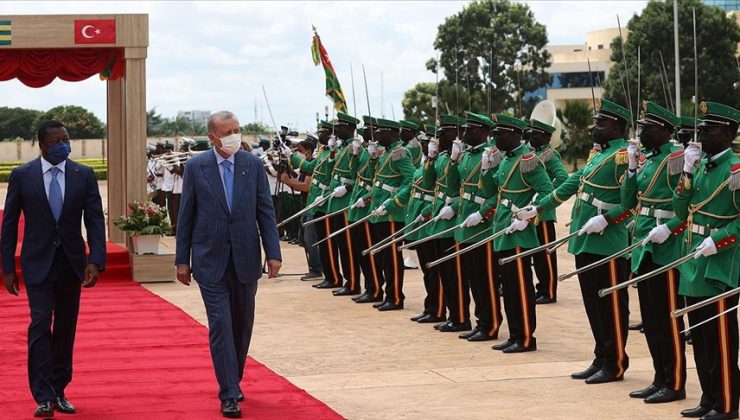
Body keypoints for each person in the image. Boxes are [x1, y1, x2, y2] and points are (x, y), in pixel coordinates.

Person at [175, 111, 282, 418]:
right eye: (228, 131)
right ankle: (229, 392)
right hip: (210, 259)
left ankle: (233, 377)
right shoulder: (196, 167)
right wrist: (182, 260)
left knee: (242, 324)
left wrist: (273, 252)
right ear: (212, 137)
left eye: (238, 129)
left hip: (246, 258)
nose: (235, 135)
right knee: (221, 324)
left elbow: (266, 211)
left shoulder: (252, 165)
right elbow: (186, 216)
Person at [1, 120, 106, 418]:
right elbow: (8, 224)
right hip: (37, 263)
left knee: (64, 328)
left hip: (71, 263)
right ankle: (43, 395)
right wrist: (7, 265)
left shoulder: (82, 175)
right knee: (40, 322)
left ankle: (59, 390)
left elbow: (95, 220)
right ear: (43, 144)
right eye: (57, 140)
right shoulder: (23, 176)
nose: (64, 144)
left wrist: (95, 260)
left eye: (67, 139)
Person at [525, 99, 632, 382]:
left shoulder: (623, 156)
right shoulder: (599, 154)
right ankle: (601, 357)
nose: (595, 127)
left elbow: (632, 202)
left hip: (608, 243)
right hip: (586, 240)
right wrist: (539, 207)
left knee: (610, 306)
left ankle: (616, 362)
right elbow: (573, 182)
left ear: (618, 127)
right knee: (594, 307)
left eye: (602, 123)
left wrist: (608, 220)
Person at [673, 101, 739, 420]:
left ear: (727, 134)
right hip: (693, 260)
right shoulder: (699, 167)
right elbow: (679, 207)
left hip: (719, 263)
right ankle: (708, 396)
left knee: (721, 339)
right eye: (701, 128)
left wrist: (720, 238)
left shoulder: (736, 170)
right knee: (699, 336)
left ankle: (726, 402)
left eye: (709, 129)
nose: (701, 134)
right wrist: (686, 170)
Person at [621, 101, 687, 404]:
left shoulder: (676, 159)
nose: (641, 132)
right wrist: (632, 167)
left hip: (666, 247)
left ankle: (674, 382)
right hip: (645, 246)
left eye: (647, 127)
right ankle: (660, 376)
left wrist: (670, 228)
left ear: (663, 130)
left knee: (667, 319)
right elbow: (627, 201)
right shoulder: (648, 159)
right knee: (651, 318)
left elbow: (687, 205)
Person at [481, 113, 553, 353]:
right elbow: (494, 192)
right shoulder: (505, 160)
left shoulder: (527, 160)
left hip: (520, 233)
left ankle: (525, 338)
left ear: (513, 134)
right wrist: (485, 169)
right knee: (509, 289)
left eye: (499, 133)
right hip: (503, 229)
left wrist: (530, 214)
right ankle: (514, 334)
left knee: (521, 288)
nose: (495, 137)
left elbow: (547, 191)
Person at [449, 111, 504, 342]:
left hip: (483, 225)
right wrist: (452, 162)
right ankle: (480, 320)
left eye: (470, 129)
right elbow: (454, 187)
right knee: (473, 278)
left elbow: (498, 194)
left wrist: (482, 215)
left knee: (486, 279)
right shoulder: (465, 156)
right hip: (465, 223)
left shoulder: (493, 155)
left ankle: (490, 324)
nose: (464, 133)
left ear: (482, 131)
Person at [367, 118, 415, 311]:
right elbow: (376, 177)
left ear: (392, 134)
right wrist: (372, 159)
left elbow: (411, 180)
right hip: (379, 209)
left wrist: (394, 201)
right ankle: (389, 294)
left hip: (391, 213)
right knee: (384, 257)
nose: (377, 136)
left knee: (392, 258)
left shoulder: (399, 153)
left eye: (381, 133)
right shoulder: (385, 153)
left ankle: (395, 297)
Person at [525, 119, 568, 304]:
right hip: (529, 210)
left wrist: (547, 194)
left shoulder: (550, 155)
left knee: (544, 253)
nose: (532, 136)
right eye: (532, 133)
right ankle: (540, 288)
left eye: (537, 133)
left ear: (546, 137)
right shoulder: (529, 154)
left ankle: (548, 291)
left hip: (543, 212)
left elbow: (563, 177)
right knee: (534, 252)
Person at [325, 112, 362, 296]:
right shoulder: (342, 148)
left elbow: (360, 177)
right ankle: (348, 281)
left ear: (349, 128)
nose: (336, 130)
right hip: (336, 201)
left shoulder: (355, 148)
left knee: (348, 247)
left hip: (347, 202)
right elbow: (332, 171)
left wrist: (347, 189)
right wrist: (331, 152)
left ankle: (353, 282)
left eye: (340, 126)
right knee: (341, 245)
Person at [281, 140, 323, 281]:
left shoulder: (313, 163)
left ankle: (317, 269)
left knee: (310, 238)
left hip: (313, 205)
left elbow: (306, 186)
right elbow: (299, 178)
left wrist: (287, 182)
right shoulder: (307, 164)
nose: (296, 153)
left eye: (298, 150)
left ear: (307, 151)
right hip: (307, 204)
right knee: (303, 238)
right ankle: (314, 266)